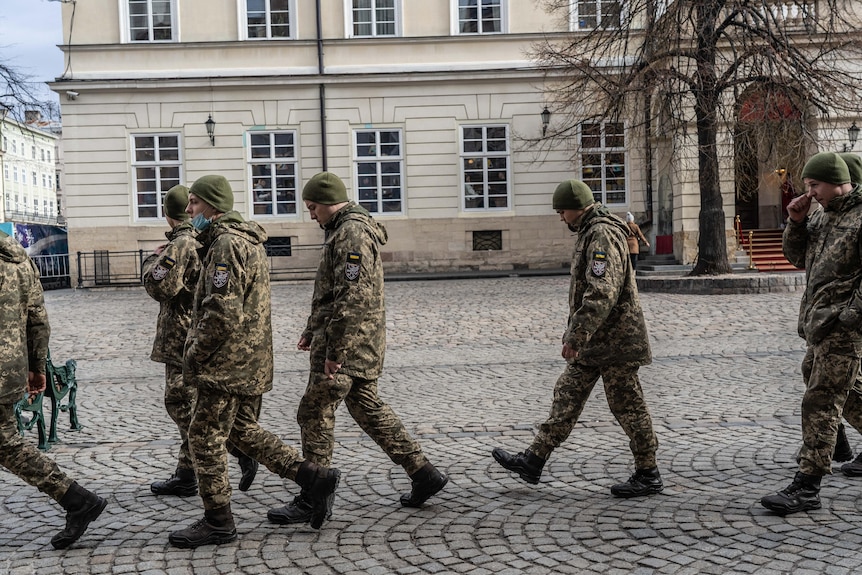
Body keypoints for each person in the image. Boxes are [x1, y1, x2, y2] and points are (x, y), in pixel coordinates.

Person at [169, 175, 340, 548]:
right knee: (243, 431)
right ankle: (314, 478)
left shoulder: (227, 245)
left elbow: (221, 313)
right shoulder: (242, 240)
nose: (189, 211)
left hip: (226, 364)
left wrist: (193, 355)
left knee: (203, 437)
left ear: (212, 206)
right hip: (248, 360)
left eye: (195, 203)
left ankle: (218, 521)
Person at [267, 172, 447, 526]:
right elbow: (332, 292)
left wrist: (335, 350)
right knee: (368, 409)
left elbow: (353, 298)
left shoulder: (351, 232)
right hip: (354, 343)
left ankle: (314, 495)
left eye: (312, 207)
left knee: (314, 412)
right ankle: (423, 472)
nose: (311, 214)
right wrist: (311, 329)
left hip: (347, 346)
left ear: (327, 201)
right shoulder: (343, 229)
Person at [492, 179, 662, 497]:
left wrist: (578, 334)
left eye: (562, 211)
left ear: (577, 208)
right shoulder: (590, 229)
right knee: (566, 396)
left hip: (616, 341)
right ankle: (533, 459)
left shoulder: (601, 233)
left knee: (627, 405)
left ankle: (648, 472)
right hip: (597, 342)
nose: (560, 217)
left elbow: (602, 290)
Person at [761, 152, 862, 515]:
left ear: (836, 182)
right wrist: (796, 221)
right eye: (808, 186)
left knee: (820, 400)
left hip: (842, 327)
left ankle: (807, 486)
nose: (810, 192)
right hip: (819, 324)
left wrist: (851, 315)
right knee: (832, 385)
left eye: (814, 185)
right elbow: (797, 257)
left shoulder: (859, 218)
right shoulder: (821, 217)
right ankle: (840, 450)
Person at [142, 185, 258, 498]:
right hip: (193, 333)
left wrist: (151, 262)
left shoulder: (184, 240)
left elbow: (159, 285)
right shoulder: (204, 236)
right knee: (190, 404)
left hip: (183, 335)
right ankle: (186, 472)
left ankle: (238, 445)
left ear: (168, 214)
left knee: (181, 403)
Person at [0, 229, 107, 549]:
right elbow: (38, 320)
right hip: (11, 372)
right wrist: (35, 367)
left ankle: (77, 499)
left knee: (7, 444)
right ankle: (77, 500)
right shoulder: (18, 259)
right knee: (6, 443)